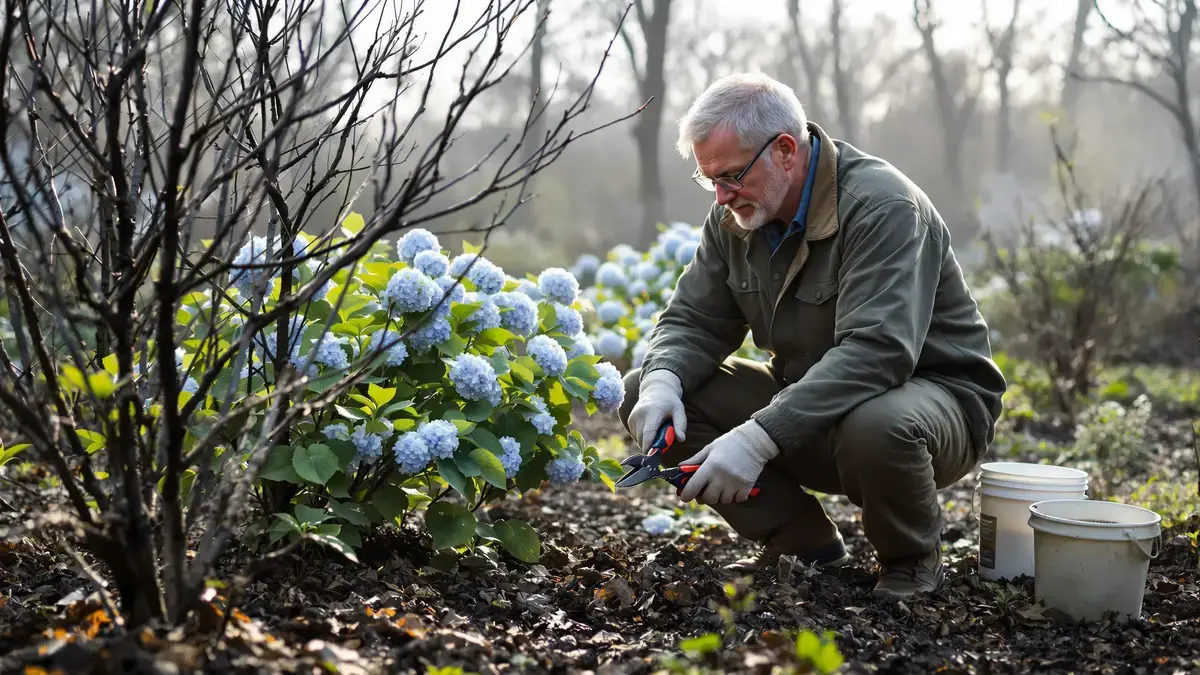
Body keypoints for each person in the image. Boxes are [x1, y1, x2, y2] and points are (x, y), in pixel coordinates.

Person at [618, 73, 1007, 600]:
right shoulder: (735, 215)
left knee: (879, 422)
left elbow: (879, 354)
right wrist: (663, 379)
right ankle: (802, 541)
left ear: (784, 150)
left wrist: (756, 438)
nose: (721, 195)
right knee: (648, 389)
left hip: (929, 410)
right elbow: (694, 321)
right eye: (709, 179)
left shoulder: (881, 207)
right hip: (810, 405)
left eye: (731, 176)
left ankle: (911, 561)